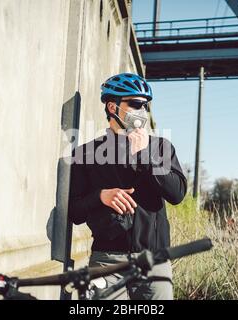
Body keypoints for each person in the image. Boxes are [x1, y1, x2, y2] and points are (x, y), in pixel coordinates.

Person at [68, 73, 187, 300]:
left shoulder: (160, 148)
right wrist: (99, 197)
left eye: (145, 105)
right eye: (135, 104)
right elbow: (74, 212)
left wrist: (144, 156)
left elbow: (177, 193)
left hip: (154, 262)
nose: (142, 110)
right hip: (106, 262)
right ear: (113, 107)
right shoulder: (85, 154)